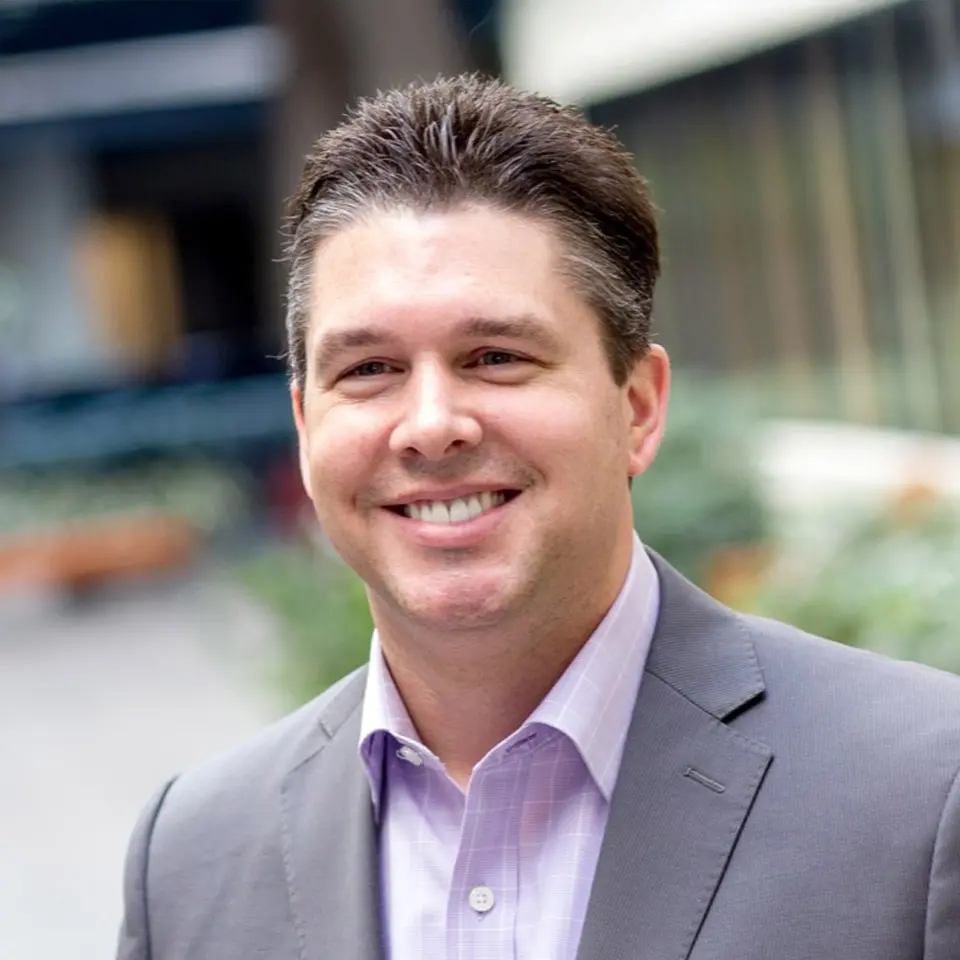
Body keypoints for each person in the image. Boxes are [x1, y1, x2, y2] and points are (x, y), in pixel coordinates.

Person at [117, 75, 960, 960]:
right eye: (368, 370)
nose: (431, 425)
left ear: (637, 406)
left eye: (495, 356)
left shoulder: (923, 796)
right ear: (304, 425)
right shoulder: (188, 865)